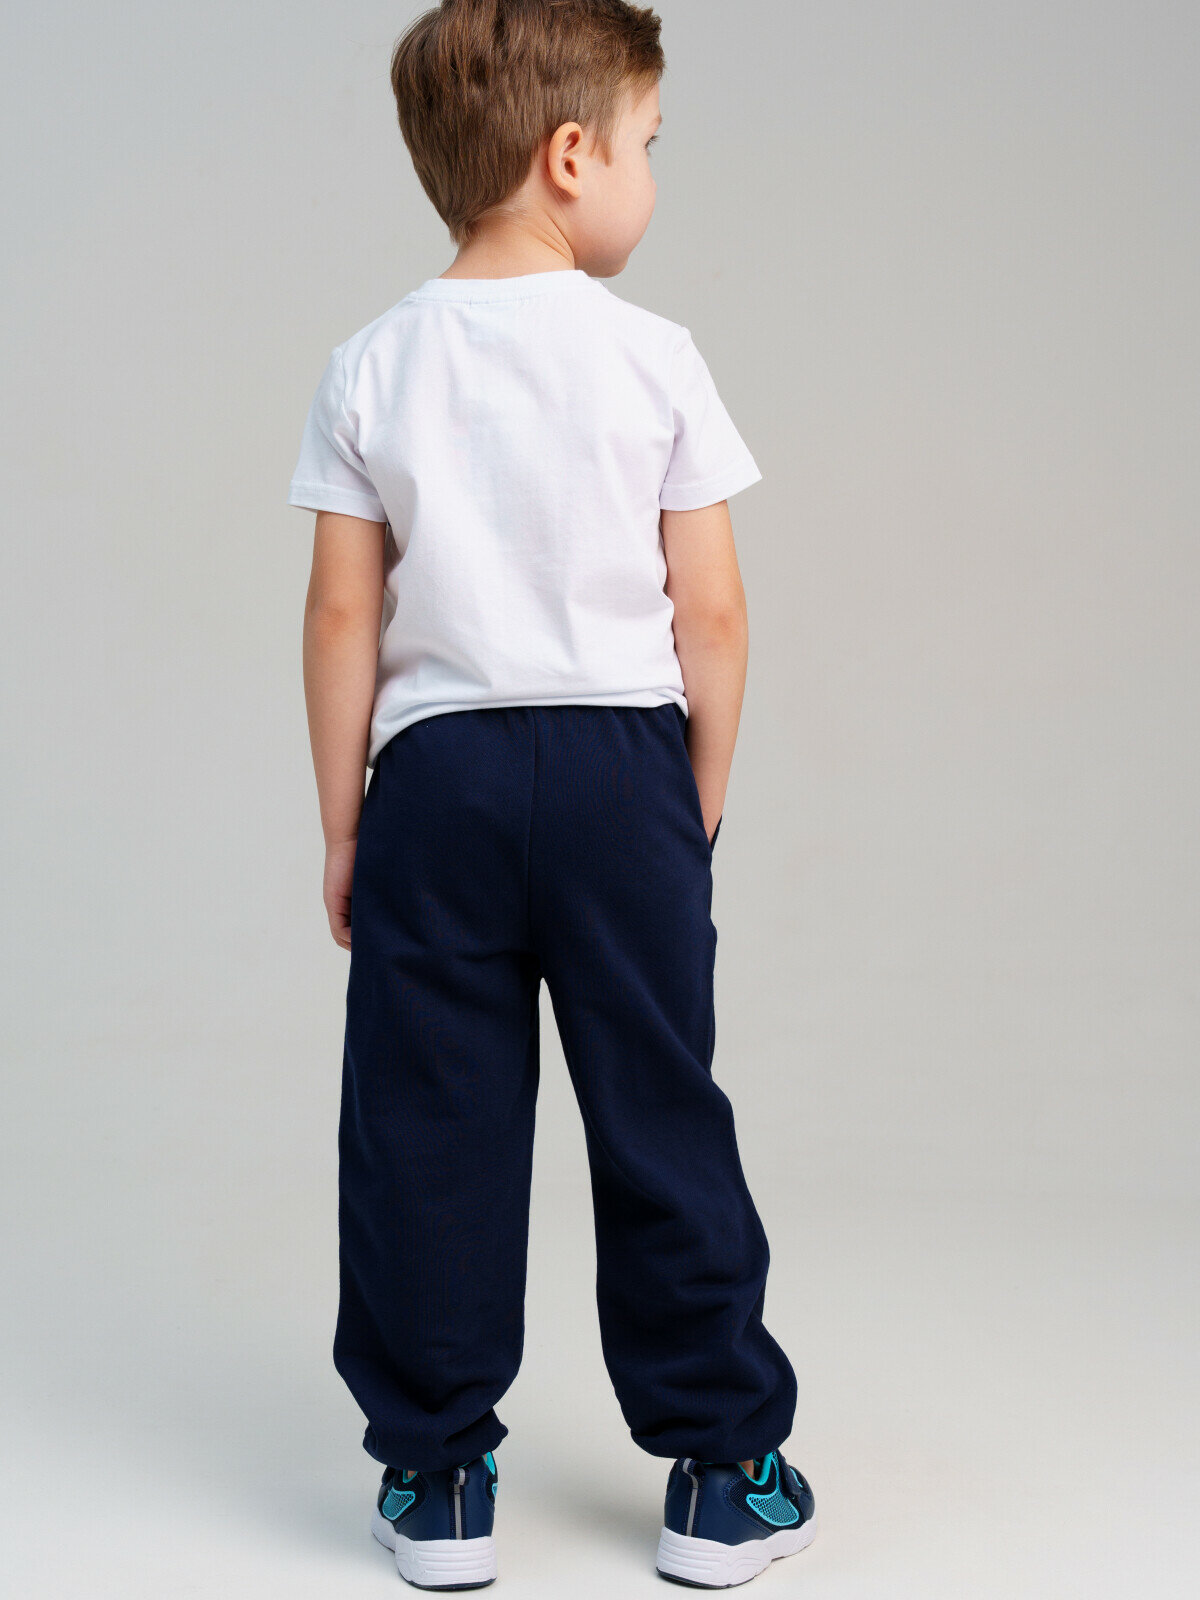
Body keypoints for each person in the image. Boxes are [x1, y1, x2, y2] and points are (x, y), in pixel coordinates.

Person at [287, 0, 815, 1588]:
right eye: (649, 144)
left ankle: (437, 1476)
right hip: (619, 768)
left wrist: (346, 821)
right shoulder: (655, 357)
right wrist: (695, 794)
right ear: (571, 156)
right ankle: (722, 1475)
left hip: (435, 778)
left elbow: (340, 616)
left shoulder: (370, 362)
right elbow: (714, 612)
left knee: (426, 1124)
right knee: (658, 1107)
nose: (654, 173)